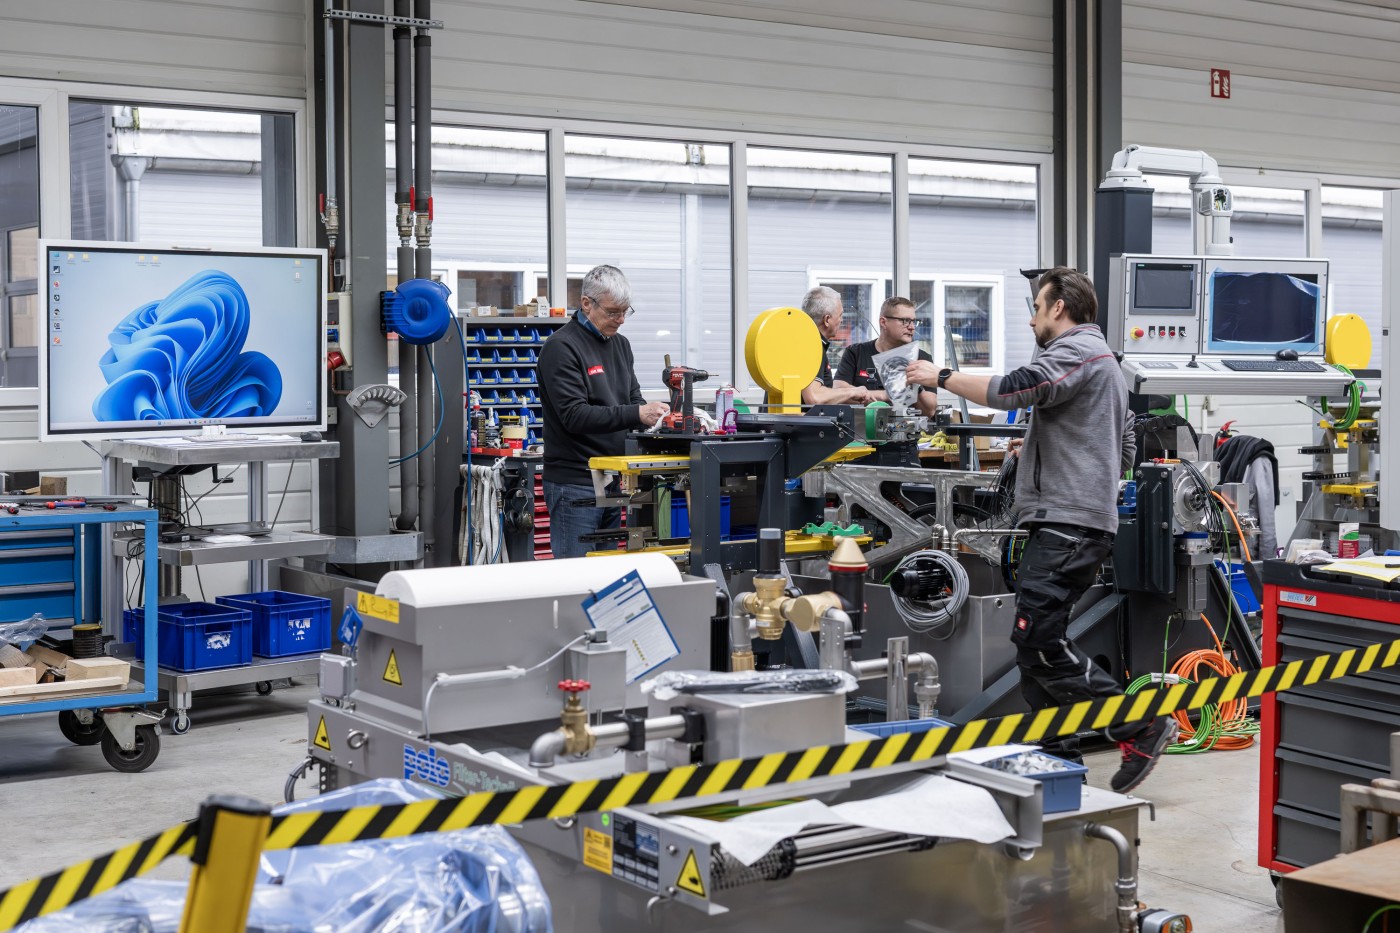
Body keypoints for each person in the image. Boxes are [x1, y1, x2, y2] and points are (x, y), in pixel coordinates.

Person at [906, 266, 1177, 793]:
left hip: (1068, 524)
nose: (1032, 320)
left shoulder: (1078, 350)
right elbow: (1121, 448)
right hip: (1072, 520)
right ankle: (1058, 761)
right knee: (1034, 650)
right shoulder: (1104, 362)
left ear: (1058, 307)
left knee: (1039, 641)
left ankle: (1139, 725)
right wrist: (1044, 448)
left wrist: (940, 377)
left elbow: (1015, 390)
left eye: (1036, 308)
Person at [538, 265, 669, 559]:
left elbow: (633, 398)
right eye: (612, 312)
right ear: (587, 303)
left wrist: (657, 417)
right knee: (577, 574)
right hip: (575, 482)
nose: (620, 320)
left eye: (625, 312)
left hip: (613, 478)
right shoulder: (561, 347)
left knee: (607, 572)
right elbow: (575, 416)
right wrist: (637, 413)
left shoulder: (621, 345)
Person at [834, 296, 938, 416]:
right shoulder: (856, 353)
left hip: (907, 426)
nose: (912, 327)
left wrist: (914, 383)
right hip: (862, 425)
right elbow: (838, 392)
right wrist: (886, 394)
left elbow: (930, 411)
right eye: (905, 321)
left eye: (914, 321)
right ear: (883, 322)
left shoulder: (922, 359)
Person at [797, 286, 871, 407]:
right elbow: (815, 397)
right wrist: (853, 392)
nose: (842, 320)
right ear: (827, 320)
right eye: (840, 315)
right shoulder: (811, 346)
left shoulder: (799, 340)